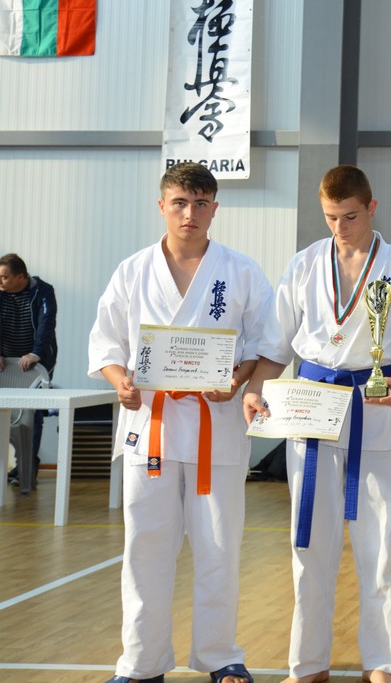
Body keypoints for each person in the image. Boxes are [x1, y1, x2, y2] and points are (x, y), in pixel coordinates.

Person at [246, 165, 391, 683]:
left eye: (350, 216)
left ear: (371, 208)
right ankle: (308, 663)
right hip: (311, 408)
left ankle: (385, 661)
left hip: (373, 411)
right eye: (331, 217)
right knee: (308, 542)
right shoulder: (305, 264)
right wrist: (256, 388)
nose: (340, 227)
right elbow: (275, 344)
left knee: (380, 543)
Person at [89, 162, 273, 683]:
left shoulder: (241, 271)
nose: (189, 213)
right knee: (144, 548)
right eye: (179, 203)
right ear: (162, 206)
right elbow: (106, 344)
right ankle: (141, 662)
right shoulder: (132, 270)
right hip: (150, 424)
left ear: (215, 208)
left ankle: (220, 655)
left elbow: (264, 344)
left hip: (217, 426)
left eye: (200, 204)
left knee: (219, 547)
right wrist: (120, 382)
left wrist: (238, 379)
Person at [0, 252, 58, 492]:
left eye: (4, 277)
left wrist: (35, 353)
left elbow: (47, 324)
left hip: (35, 363)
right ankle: (17, 465)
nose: (0, 281)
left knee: (31, 414)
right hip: (5, 363)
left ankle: (26, 467)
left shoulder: (43, 291)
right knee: (7, 414)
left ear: (21, 277)